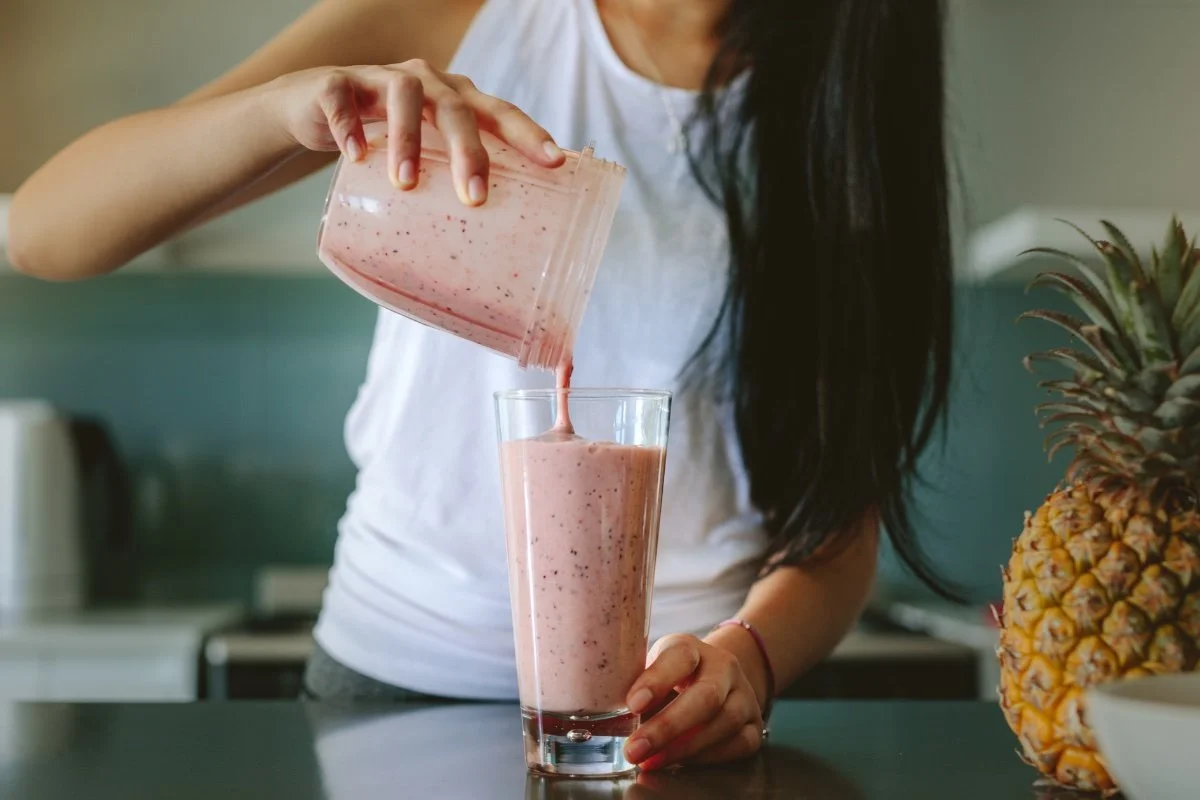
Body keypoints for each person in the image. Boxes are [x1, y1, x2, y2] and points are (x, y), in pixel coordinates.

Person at [7, 0, 955, 771]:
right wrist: (289, 108)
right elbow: (45, 232)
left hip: (665, 728)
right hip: (388, 696)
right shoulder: (468, 21)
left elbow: (842, 526)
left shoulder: (848, 113)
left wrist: (747, 657)